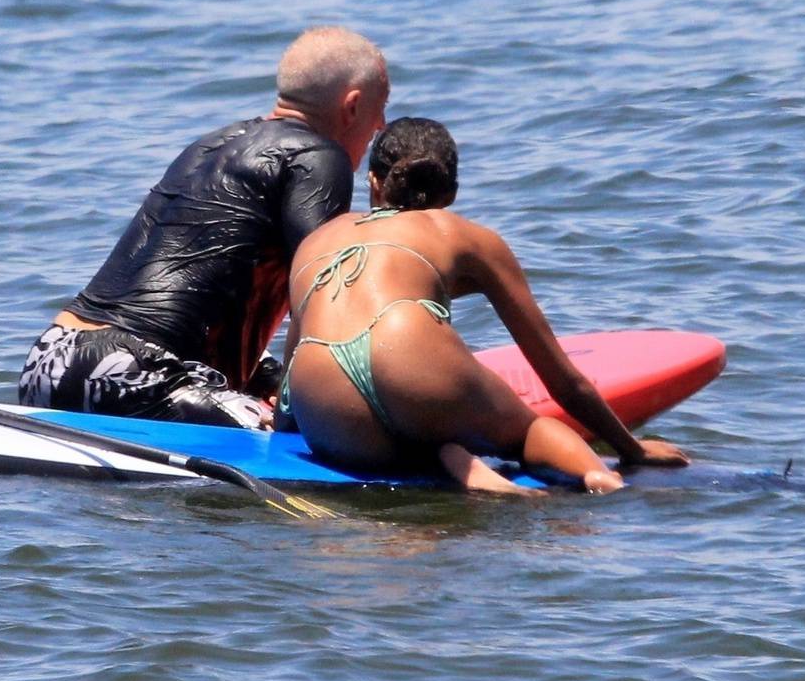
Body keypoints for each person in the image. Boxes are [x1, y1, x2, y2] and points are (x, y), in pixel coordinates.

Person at [279, 117, 690, 493]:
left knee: (392, 452)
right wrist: (630, 448)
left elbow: (288, 383)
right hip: (406, 345)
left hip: (321, 383)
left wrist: (281, 433)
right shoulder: (465, 235)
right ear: (452, 193)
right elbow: (562, 378)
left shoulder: (320, 238)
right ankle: (596, 476)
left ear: (372, 183)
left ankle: (445, 458)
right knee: (529, 432)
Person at [18, 27, 389, 428]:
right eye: (380, 108)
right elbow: (326, 290)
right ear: (351, 107)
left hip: (50, 362)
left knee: (259, 385)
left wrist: (267, 379)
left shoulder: (212, 143)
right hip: (139, 375)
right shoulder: (318, 155)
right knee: (329, 429)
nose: (381, 124)